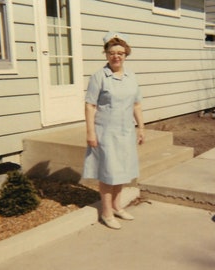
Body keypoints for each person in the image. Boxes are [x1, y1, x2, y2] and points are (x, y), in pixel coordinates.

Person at [82, 31, 145, 229]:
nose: (116, 56)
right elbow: (90, 106)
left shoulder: (131, 77)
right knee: (108, 172)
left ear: (126, 54)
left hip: (126, 131)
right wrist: (90, 133)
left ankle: (117, 206)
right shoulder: (99, 77)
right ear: (106, 54)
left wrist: (141, 128)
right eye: (111, 53)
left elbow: (136, 105)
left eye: (120, 53)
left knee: (122, 171)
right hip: (106, 132)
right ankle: (107, 212)